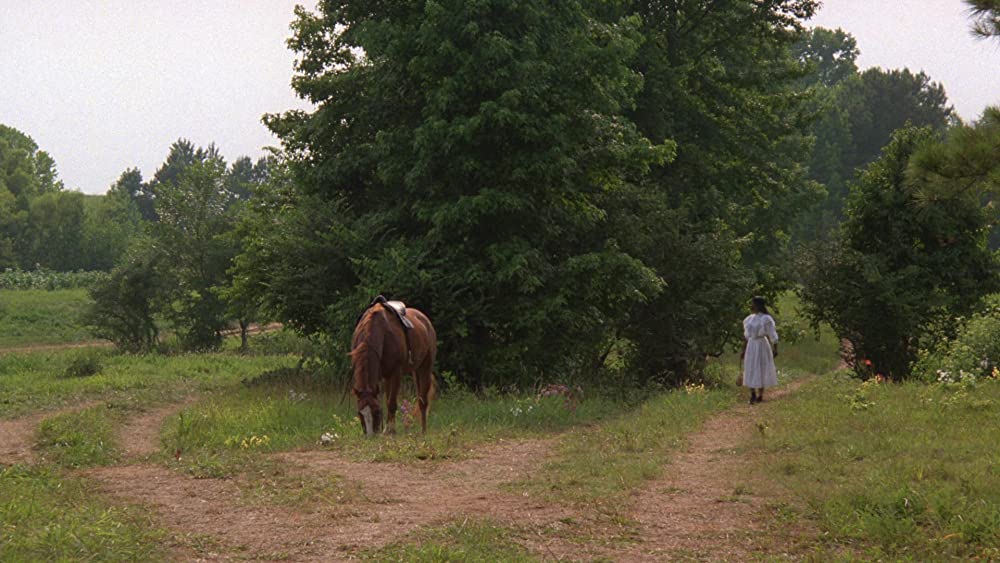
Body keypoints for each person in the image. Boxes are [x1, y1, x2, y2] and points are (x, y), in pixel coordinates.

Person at [741, 296, 779, 404]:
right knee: (750, 367)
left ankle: (760, 394)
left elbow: (772, 334)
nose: (752, 306)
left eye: (753, 304)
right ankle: (752, 393)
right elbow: (746, 336)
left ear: (758, 305)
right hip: (751, 345)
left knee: (761, 366)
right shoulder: (749, 319)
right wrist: (743, 350)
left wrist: (775, 348)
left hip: (761, 344)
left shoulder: (765, 319)